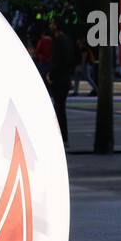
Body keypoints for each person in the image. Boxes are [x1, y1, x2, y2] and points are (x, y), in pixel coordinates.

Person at [47, 17, 76, 146]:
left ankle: (61, 137)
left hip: (58, 79)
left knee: (58, 108)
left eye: (52, 23)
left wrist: (50, 75)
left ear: (56, 26)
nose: (50, 25)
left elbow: (57, 61)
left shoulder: (58, 41)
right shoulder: (68, 40)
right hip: (65, 78)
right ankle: (63, 137)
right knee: (60, 108)